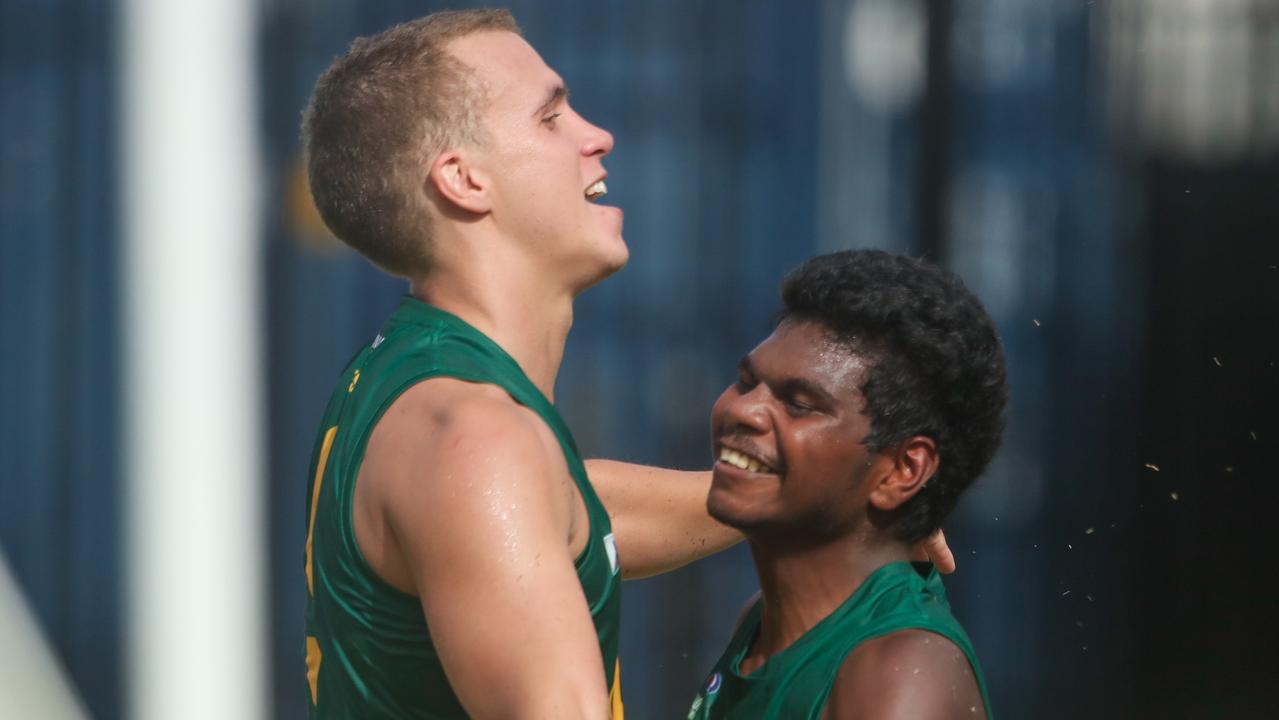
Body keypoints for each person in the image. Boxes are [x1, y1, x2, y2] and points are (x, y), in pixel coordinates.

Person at [300, 9, 953, 719]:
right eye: (551, 117)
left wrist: (816, 495)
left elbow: (564, 510)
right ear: (464, 180)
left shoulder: (416, 382)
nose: (597, 135)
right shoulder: (477, 441)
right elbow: (510, 491)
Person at [686, 250, 1007, 719]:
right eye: (745, 382)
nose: (742, 410)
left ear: (902, 470)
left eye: (799, 404)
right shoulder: (762, 624)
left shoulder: (899, 668)